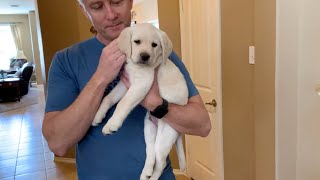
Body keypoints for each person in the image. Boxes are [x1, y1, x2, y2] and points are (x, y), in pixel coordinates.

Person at [42, 0, 211, 179]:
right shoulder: (66, 60)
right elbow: (58, 143)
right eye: (97, 6)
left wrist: (156, 103)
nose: (111, 14)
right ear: (85, 11)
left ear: (130, 1)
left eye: (117, 1)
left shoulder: (159, 53)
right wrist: (100, 77)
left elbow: (203, 125)